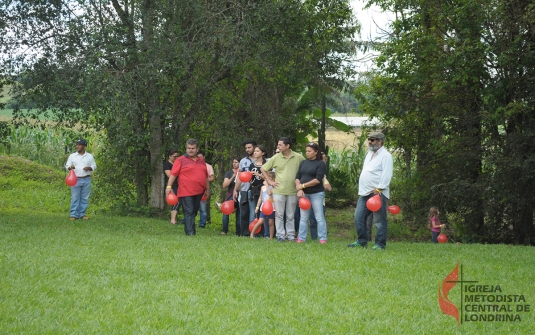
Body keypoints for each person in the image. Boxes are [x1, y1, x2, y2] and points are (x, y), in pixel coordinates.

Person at [348, 131, 393, 250]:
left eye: (372, 140)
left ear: (380, 141)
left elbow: (387, 174)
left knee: (379, 220)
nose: (369, 142)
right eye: (369, 139)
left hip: (378, 193)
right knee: (359, 217)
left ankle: (379, 244)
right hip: (365, 192)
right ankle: (362, 241)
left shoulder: (386, 155)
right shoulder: (369, 153)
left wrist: (379, 188)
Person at [260, 137, 305, 242]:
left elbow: (305, 169)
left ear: (287, 146)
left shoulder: (298, 157)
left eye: (280, 145)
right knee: (279, 214)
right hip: (279, 191)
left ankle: (290, 235)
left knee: (290, 215)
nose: (278, 146)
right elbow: (263, 168)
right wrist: (270, 182)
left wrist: (301, 186)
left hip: (293, 190)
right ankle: (280, 235)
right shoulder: (276, 157)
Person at [165, 138, 209, 236]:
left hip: (199, 191)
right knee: (189, 211)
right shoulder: (180, 160)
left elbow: (205, 177)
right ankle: (190, 233)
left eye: (193, 148)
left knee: (194, 211)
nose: (190, 150)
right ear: (186, 148)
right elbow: (173, 174)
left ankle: (191, 230)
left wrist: (207, 189)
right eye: (188, 148)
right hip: (185, 191)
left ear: (197, 149)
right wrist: (169, 186)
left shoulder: (201, 161)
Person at [295, 143, 328, 244]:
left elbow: (317, 180)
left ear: (316, 152)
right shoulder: (304, 162)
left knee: (319, 217)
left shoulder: (321, 163)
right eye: (306, 151)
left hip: (316, 194)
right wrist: (299, 189)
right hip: (304, 195)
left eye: (309, 151)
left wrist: (303, 186)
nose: (307, 153)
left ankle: (322, 238)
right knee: (304, 217)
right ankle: (301, 238)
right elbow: (297, 177)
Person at [235, 144, 268, 235]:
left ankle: (264, 232)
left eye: (257, 151)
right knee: (253, 212)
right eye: (255, 151)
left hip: (263, 191)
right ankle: (252, 232)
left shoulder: (266, 164)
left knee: (263, 211)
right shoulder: (251, 164)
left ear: (263, 153)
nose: (255, 152)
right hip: (252, 190)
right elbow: (245, 177)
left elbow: (269, 178)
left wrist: (258, 175)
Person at [65, 139, 97, 220]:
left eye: (79, 145)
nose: (77, 146)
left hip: (86, 179)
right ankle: (73, 215)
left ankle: (82, 214)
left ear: (84, 146)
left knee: (84, 198)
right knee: (75, 197)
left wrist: (89, 168)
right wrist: (70, 167)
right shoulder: (72, 156)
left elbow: (94, 166)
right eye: (77, 145)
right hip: (75, 179)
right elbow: (67, 166)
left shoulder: (90, 156)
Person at [233, 139, 257, 236]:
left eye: (249, 147)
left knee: (254, 212)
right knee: (243, 212)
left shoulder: (261, 159)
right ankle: (244, 233)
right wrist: (235, 190)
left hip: (256, 190)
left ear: (255, 147)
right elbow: (240, 176)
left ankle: (255, 232)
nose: (247, 149)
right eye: (246, 148)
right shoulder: (243, 161)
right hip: (244, 189)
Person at [308, 152, 332, 239]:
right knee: (312, 221)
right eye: (323, 160)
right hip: (309, 199)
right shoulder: (311, 173)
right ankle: (314, 238)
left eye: (325, 160)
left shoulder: (322, 176)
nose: (324, 162)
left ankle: (322, 237)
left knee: (320, 219)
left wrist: (323, 179)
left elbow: (329, 188)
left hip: (321, 202)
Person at [251, 171, 276, 239]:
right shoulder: (263, 187)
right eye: (268, 178)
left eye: (270, 179)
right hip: (263, 208)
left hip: (272, 207)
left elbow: (270, 193)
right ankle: (252, 234)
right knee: (260, 221)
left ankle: (271, 237)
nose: (269, 180)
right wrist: (257, 207)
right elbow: (260, 198)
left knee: (271, 223)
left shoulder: (274, 187)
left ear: (273, 179)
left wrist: (267, 185)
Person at [220, 157, 240, 236]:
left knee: (239, 213)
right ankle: (224, 230)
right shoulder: (229, 173)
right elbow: (224, 185)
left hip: (241, 194)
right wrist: (233, 176)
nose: (234, 164)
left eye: (236, 162)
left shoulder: (243, 171)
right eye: (233, 162)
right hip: (231, 194)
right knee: (226, 212)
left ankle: (238, 232)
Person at [197, 150, 215, 228]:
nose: (199, 158)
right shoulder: (193, 165)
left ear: (204, 157)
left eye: (200, 157)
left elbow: (212, 178)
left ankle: (202, 224)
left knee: (203, 208)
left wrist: (204, 180)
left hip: (204, 189)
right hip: (193, 189)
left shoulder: (208, 166)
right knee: (191, 207)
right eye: (197, 157)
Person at [164, 149, 181, 224]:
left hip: (180, 185)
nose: (176, 158)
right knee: (176, 201)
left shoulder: (177, 164)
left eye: (177, 157)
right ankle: (173, 219)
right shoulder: (167, 165)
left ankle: (173, 219)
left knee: (178, 202)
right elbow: (169, 175)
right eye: (174, 157)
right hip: (172, 186)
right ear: (170, 156)